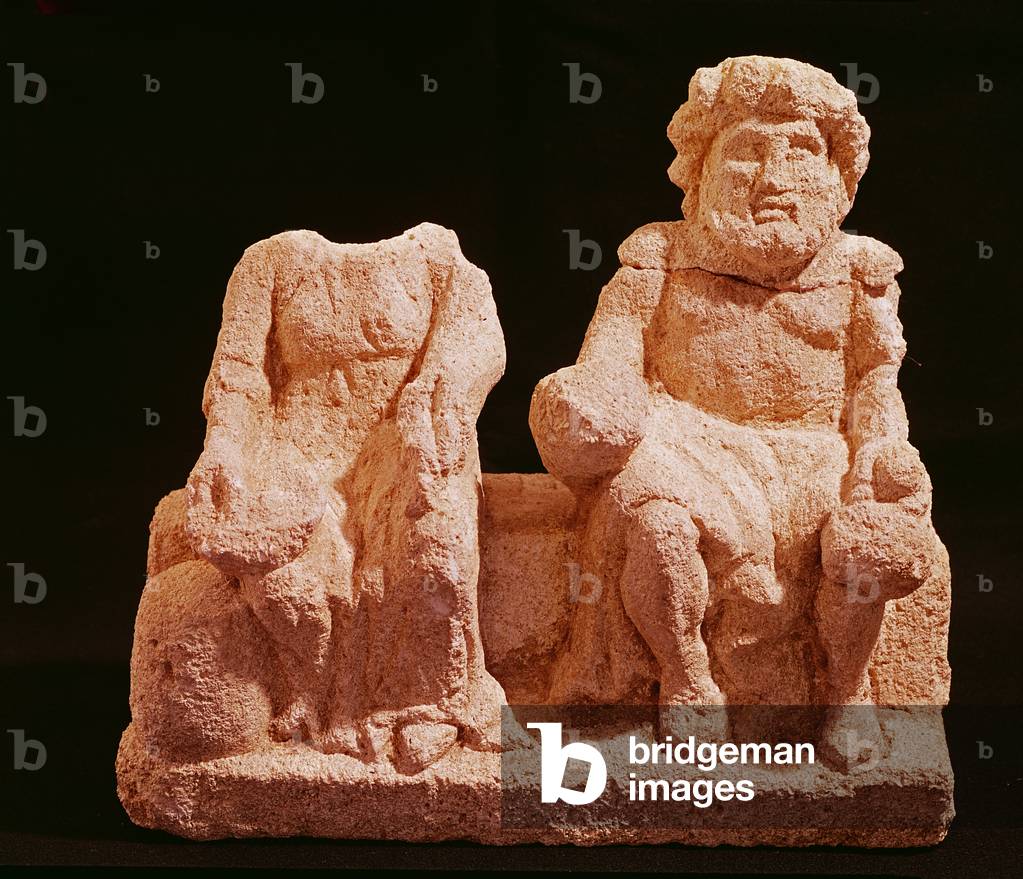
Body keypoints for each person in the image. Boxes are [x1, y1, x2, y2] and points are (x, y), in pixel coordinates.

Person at [529, 56, 942, 763]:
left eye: (801, 151)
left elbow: (876, 385)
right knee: (654, 517)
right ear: (702, 169)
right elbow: (610, 359)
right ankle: (686, 676)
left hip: (816, 453)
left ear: (838, 177)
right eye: (747, 150)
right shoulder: (658, 257)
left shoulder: (860, 272)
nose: (773, 177)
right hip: (687, 444)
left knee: (860, 537)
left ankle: (844, 695)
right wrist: (585, 402)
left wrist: (882, 456)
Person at [185, 222, 510, 772]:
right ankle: (316, 699)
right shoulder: (269, 263)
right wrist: (223, 446)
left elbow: (478, 336)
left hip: (402, 441)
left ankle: (425, 703)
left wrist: (443, 394)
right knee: (284, 576)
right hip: (296, 445)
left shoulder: (437, 256)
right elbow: (238, 378)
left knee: (435, 548)